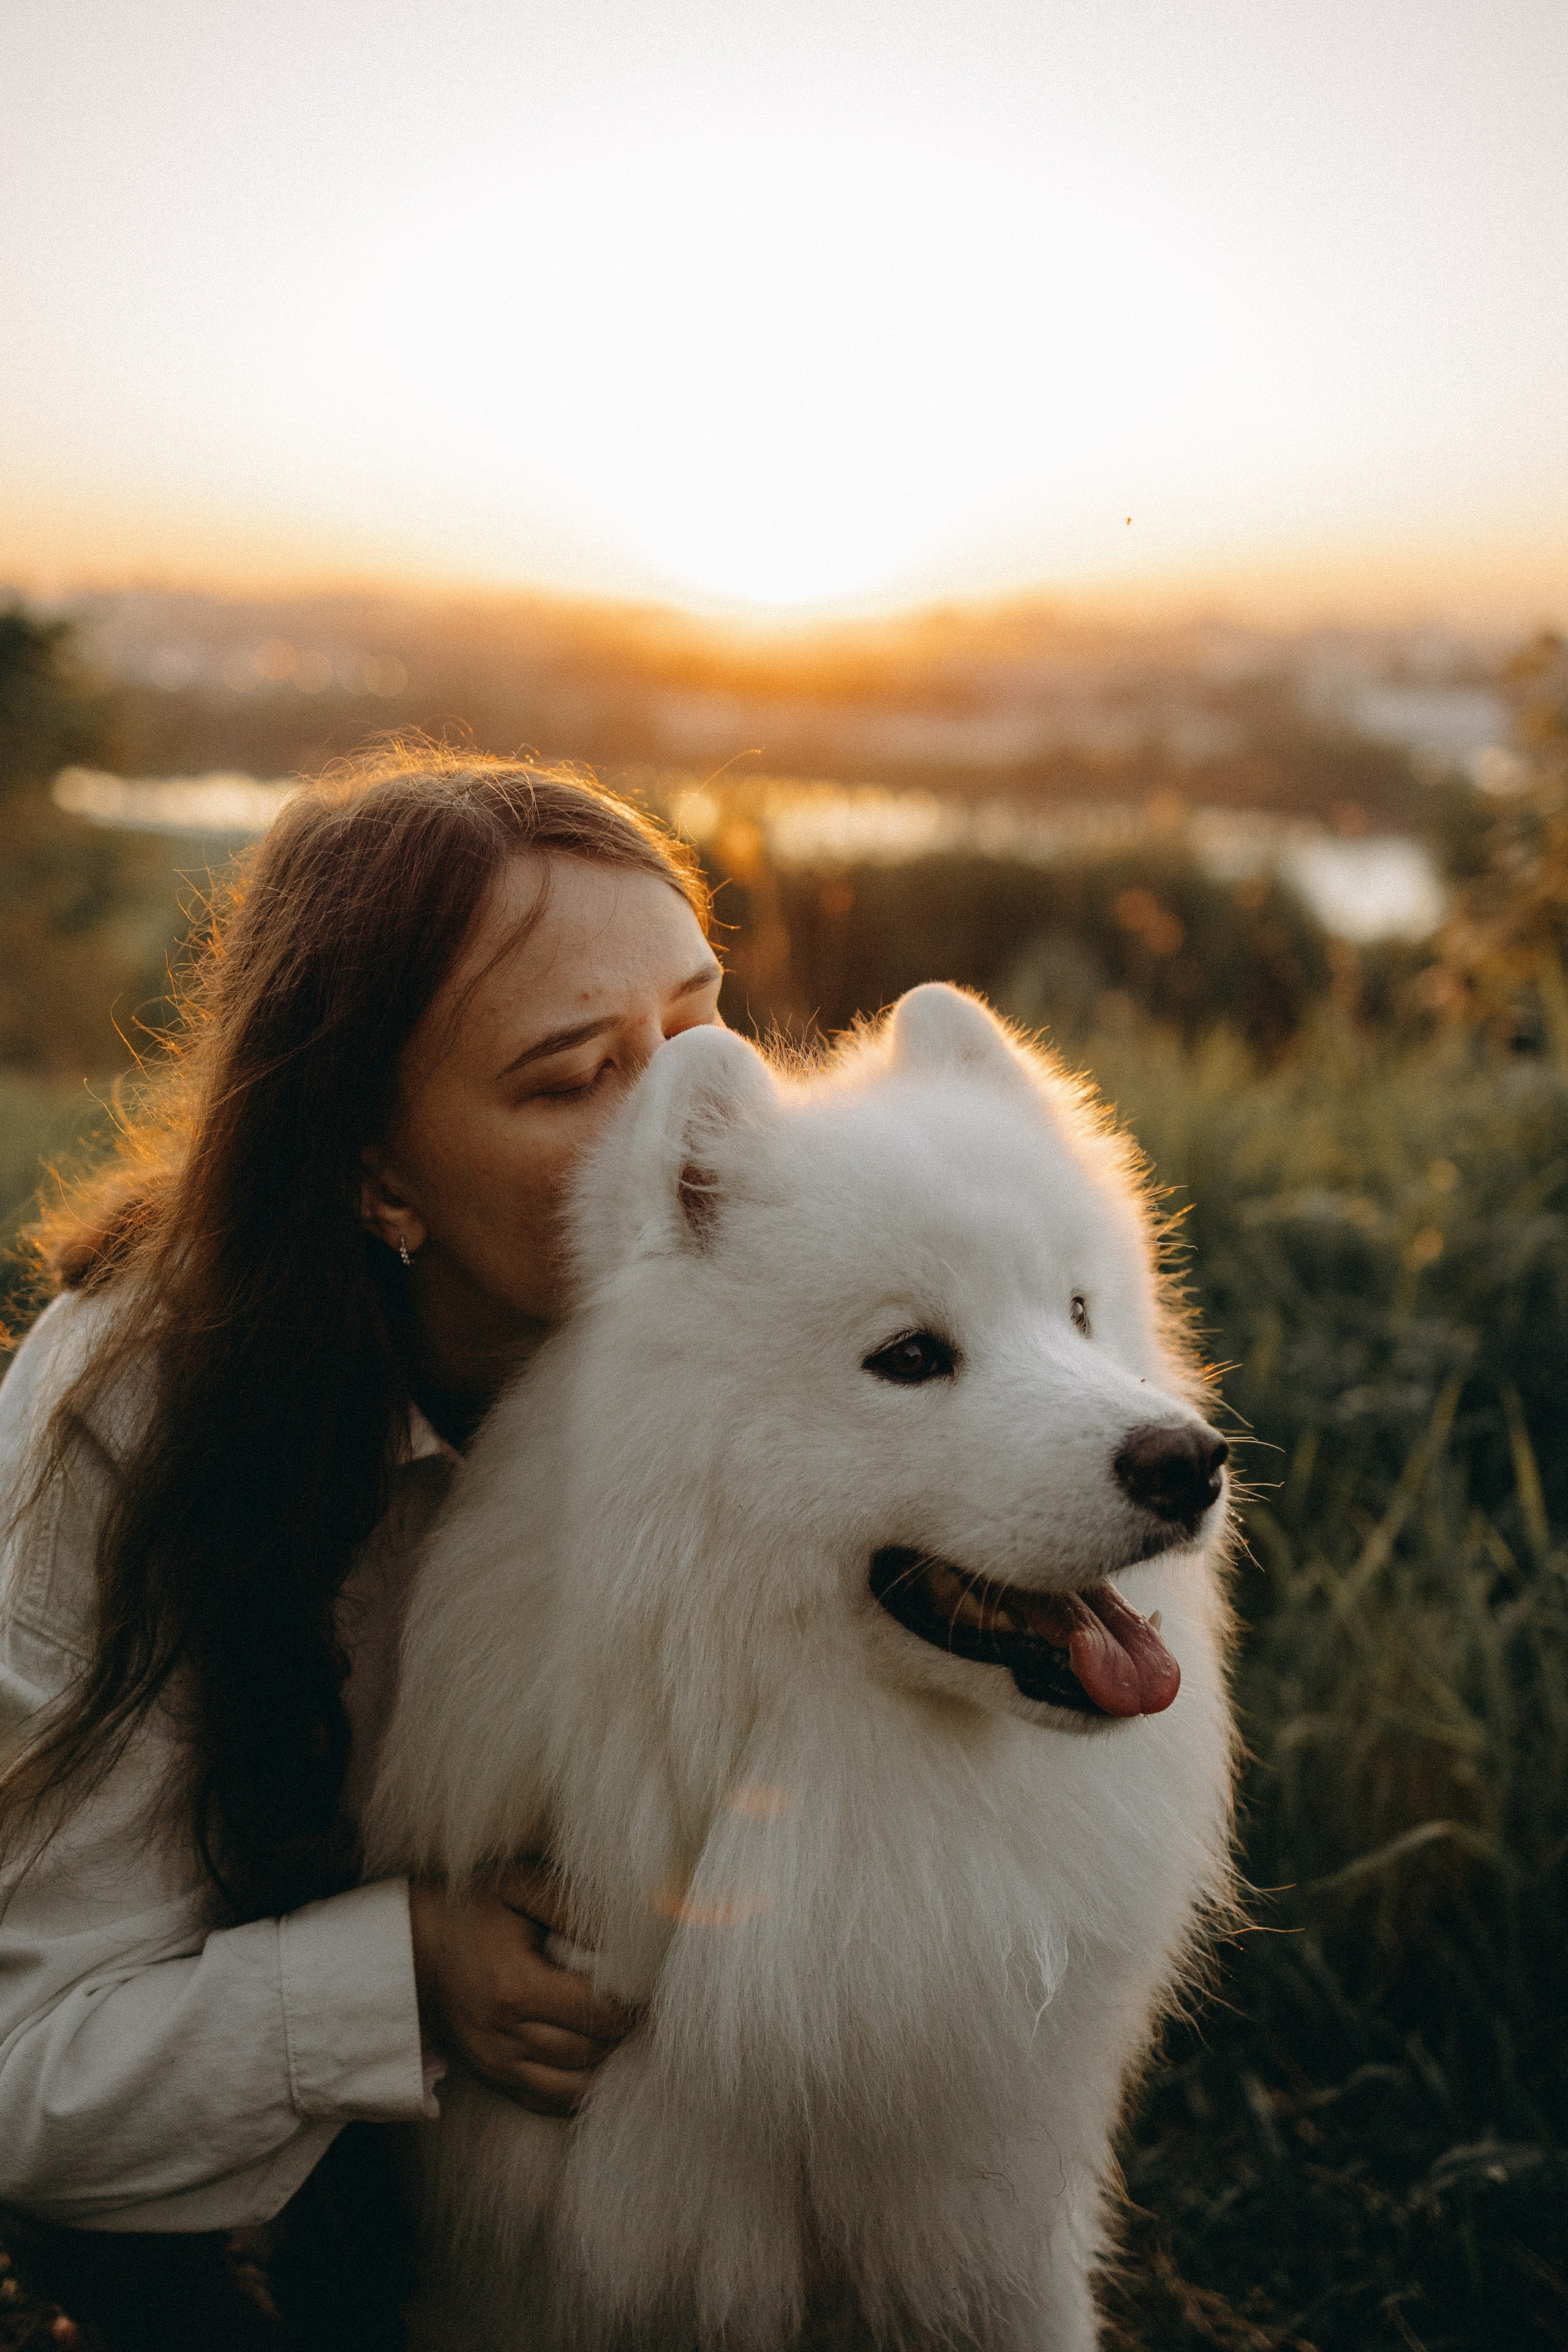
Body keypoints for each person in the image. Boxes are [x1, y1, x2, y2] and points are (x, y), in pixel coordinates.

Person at [0, 746, 726, 2347]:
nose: (699, 1131)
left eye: (694, 1023)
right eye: (570, 1076)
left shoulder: (781, 1337)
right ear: (375, 1172)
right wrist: (398, 1975)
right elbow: (30, 2090)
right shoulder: (122, 1417)